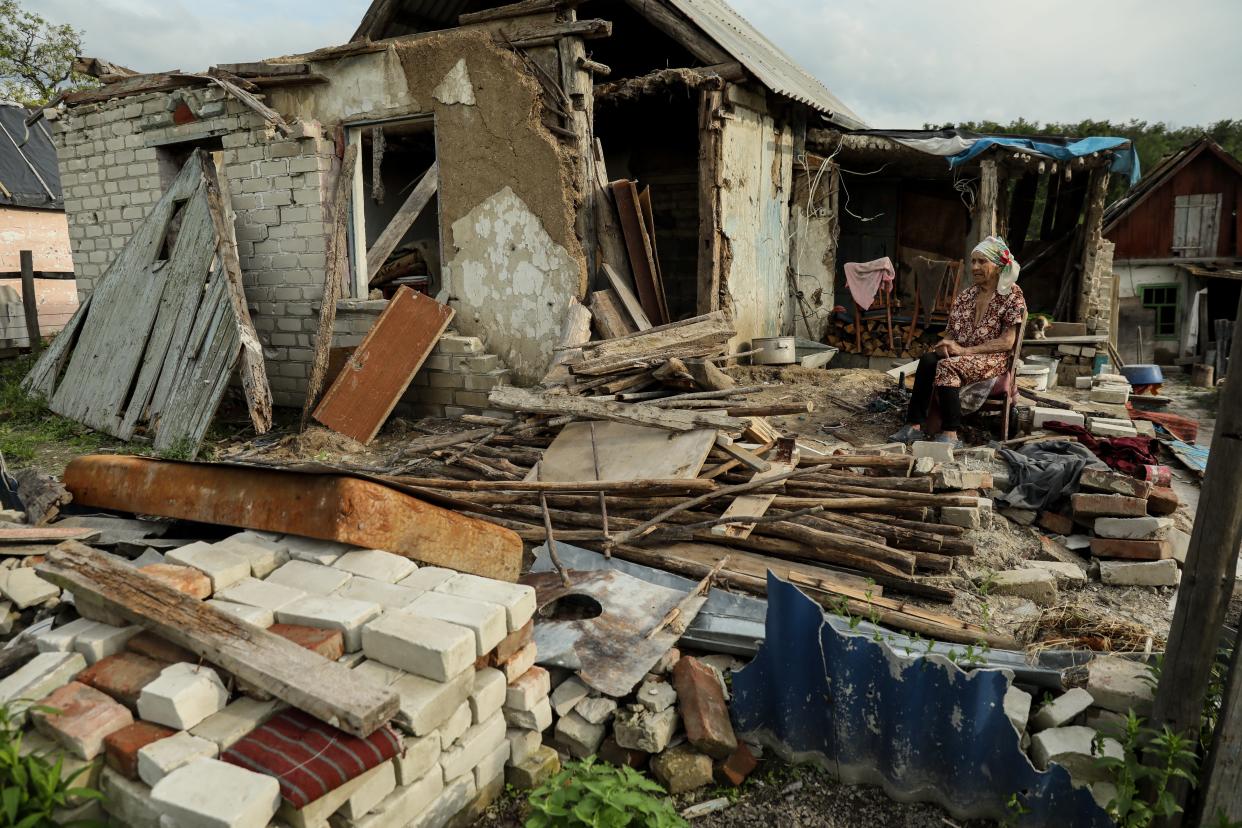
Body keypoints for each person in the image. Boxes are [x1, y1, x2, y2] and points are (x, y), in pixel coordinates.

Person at [889, 235, 1027, 448]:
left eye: (982, 261)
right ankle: (914, 426)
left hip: (992, 359)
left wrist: (963, 351)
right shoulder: (966, 296)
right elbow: (951, 333)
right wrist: (945, 344)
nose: (975, 267)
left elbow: (1007, 342)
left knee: (947, 367)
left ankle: (951, 434)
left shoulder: (1012, 296)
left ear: (999, 266)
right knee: (927, 361)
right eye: (973, 261)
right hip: (962, 352)